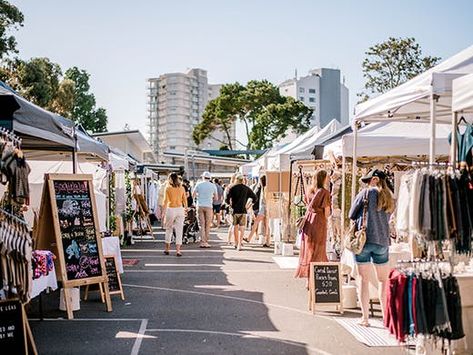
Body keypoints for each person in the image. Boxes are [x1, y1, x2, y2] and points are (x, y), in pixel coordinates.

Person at [349, 169, 394, 327]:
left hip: (365, 240)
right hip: (382, 242)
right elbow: (388, 217)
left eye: (369, 180)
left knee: (363, 280)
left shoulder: (365, 194)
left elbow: (351, 214)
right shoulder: (389, 197)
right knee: (383, 281)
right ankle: (386, 318)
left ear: (374, 180)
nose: (368, 183)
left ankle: (365, 318)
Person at [295, 170, 331, 283]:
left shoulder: (310, 190)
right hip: (319, 221)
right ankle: (314, 279)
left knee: (310, 248)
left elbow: (307, 204)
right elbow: (326, 211)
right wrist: (327, 221)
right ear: (324, 178)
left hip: (309, 220)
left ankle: (309, 279)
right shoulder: (324, 192)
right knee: (319, 249)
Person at [225, 175, 256, 251]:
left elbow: (226, 199)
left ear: (236, 180)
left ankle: (236, 243)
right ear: (242, 180)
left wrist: (230, 204)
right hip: (243, 211)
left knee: (235, 227)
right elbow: (255, 197)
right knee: (242, 228)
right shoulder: (246, 188)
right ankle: (240, 244)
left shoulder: (232, 188)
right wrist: (249, 205)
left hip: (234, 211)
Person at [163, 173, 187, 256]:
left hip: (171, 209)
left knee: (168, 229)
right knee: (179, 230)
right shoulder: (182, 188)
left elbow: (165, 201)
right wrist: (186, 208)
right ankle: (178, 251)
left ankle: (167, 249)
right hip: (180, 209)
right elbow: (184, 200)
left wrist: (163, 212)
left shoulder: (168, 188)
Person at [193, 171, 217, 248]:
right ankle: (206, 241)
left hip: (200, 205)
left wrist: (198, 196)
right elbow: (216, 198)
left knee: (201, 224)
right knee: (207, 225)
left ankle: (203, 241)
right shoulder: (213, 186)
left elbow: (193, 195)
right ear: (210, 178)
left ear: (203, 177)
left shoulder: (198, 184)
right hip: (209, 206)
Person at [244, 175, 270, 247]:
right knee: (266, 225)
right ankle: (268, 241)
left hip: (263, 208)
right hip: (266, 208)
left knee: (256, 222)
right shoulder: (266, 188)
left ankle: (249, 238)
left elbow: (263, 200)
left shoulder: (264, 188)